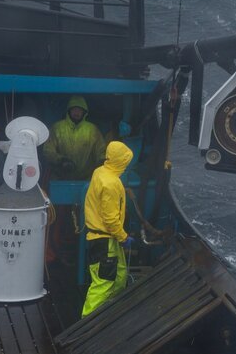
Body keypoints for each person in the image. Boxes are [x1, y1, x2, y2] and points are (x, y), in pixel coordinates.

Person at [81, 141, 134, 317]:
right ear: (121, 161)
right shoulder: (111, 183)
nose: (127, 166)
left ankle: (109, 314)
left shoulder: (100, 171)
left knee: (119, 277)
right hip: (104, 241)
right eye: (126, 162)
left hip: (107, 239)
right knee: (103, 283)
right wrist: (123, 237)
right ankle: (85, 325)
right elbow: (110, 219)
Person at [43, 96, 106, 180]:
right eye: (74, 109)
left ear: (84, 112)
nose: (77, 112)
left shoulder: (92, 130)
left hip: (86, 180)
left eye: (80, 110)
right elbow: (48, 150)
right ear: (69, 111)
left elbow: (101, 152)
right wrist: (61, 160)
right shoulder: (57, 128)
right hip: (60, 180)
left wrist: (102, 165)